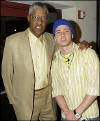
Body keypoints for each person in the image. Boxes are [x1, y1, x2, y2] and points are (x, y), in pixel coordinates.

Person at [2, 2, 90, 121]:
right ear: (28, 18)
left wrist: (82, 44)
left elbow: (67, 46)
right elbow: (6, 73)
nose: (39, 22)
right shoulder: (12, 41)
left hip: (48, 96)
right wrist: (13, 100)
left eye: (43, 18)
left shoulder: (51, 39)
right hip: (25, 98)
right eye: (35, 17)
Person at [51, 19, 100, 121]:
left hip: (88, 116)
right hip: (67, 116)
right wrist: (68, 113)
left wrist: (76, 113)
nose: (62, 35)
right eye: (58, 32)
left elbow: (94, 89)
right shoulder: (55, 61)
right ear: (55, 38)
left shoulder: (87, 53)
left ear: (72, 35)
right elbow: (57, 91)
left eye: (66, 31)